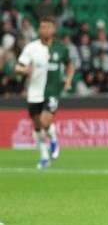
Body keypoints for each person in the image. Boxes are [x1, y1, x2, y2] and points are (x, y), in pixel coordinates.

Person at [14, 16, 74, 169]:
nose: (45, 30)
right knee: (37, 127)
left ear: (54, 30)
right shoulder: (31, 48)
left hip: (52, 91)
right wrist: (24, 70)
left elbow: (70, 65)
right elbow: (17, 67)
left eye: (48, 27)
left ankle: (53, 138)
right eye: (42, 27)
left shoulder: (60, 48)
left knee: (45, 122)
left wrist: (68, 80)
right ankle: (44, 156)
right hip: (34, 92)